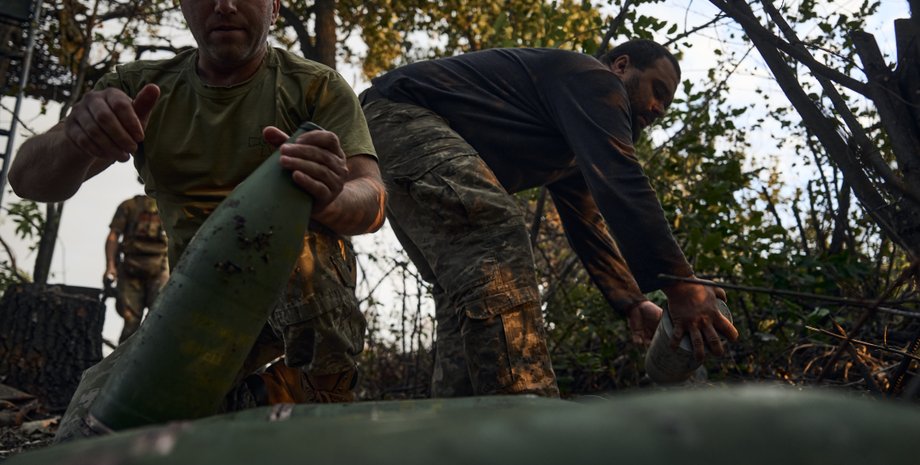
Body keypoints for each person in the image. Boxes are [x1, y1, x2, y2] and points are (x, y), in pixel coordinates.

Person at [10, 0, 385, 438]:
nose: (224, 6)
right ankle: (246, 404)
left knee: (300, 230)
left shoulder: (314, 87)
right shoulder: (140, 87)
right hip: (196, 309)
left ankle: (319, 393)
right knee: (91, 436)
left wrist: (330, 197)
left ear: (275, 8)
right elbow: (27, 179)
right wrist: (79, 138)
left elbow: (373, 197)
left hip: (295, 297)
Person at [361, 40, 738, 398]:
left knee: (464, 290)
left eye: (667, 103)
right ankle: (526, 422)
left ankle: (461, 432)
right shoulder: (595, 79)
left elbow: (586, 222)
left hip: (384, 133)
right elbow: (621, 181)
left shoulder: (572, 136)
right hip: (400, 114)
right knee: (496, 237)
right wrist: (682, 285)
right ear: (621, 66)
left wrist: (632, 302)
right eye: (657, 90)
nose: (658, 108)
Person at [104, 193, 169, 343]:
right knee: (131, 322)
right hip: (130, 269)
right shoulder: (129, 206)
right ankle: (122, 363)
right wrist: (110, 266)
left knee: (158, 319)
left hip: (160, 269)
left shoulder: (169, 205)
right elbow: (114, 236)